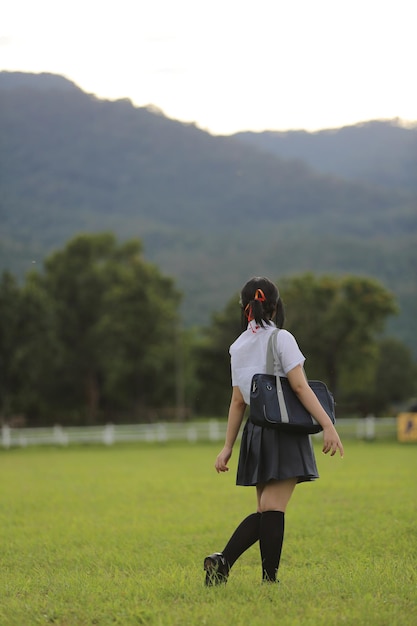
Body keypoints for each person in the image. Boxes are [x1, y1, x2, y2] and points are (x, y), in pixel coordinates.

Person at [204, 276, 344, 586]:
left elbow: (238, 401)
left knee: (266, 510)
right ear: (276, 306)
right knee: (273, 508)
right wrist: (328, 425)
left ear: (245, 308)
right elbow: (299, 385)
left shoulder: (238, 346)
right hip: (283, 431)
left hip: (256, 432)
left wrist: (228, 446)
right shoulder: (282, 338)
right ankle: (231, 564)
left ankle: (252, 574)